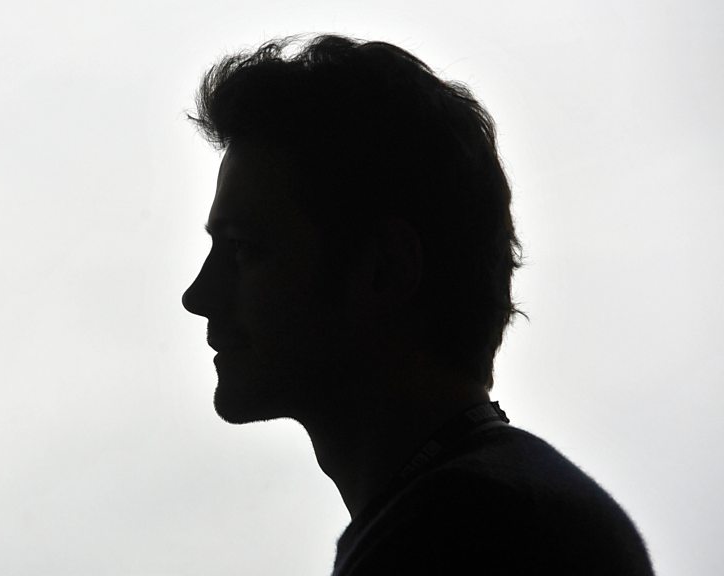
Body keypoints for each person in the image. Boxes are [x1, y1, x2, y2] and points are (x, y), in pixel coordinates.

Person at [181, 35, 655, 575]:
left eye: (244, 249)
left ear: (386, 269)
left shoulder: (469, 533)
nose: (198, 296)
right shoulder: (486, 510)